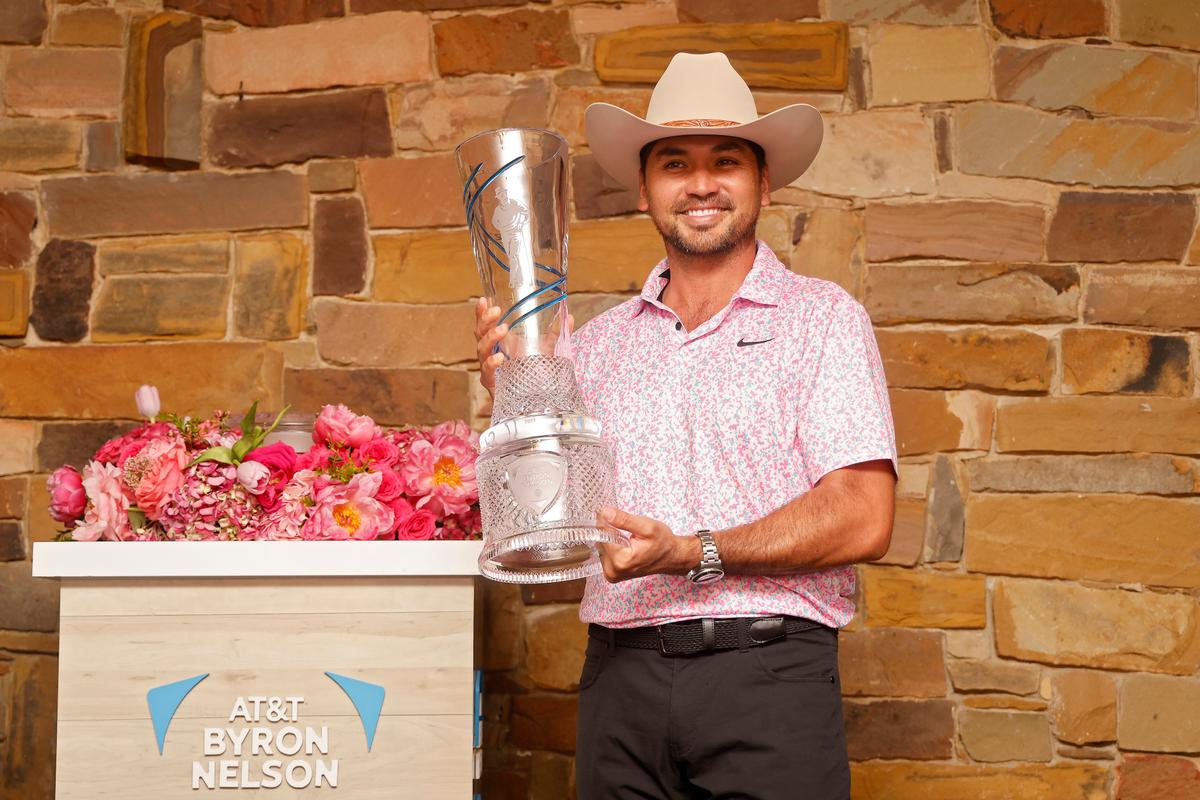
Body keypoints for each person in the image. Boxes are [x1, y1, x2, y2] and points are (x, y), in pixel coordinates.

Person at [473, 52, 898, 800]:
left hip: (770, 678)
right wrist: (516, 396)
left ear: (763, 182)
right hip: (620, 679)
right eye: (675, 163)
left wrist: (693, 552)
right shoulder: (591, 346)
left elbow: (864, 518)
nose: (701, 184)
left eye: (725, 161)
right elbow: (553, 522)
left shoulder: (824, 320)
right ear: (645, 189)